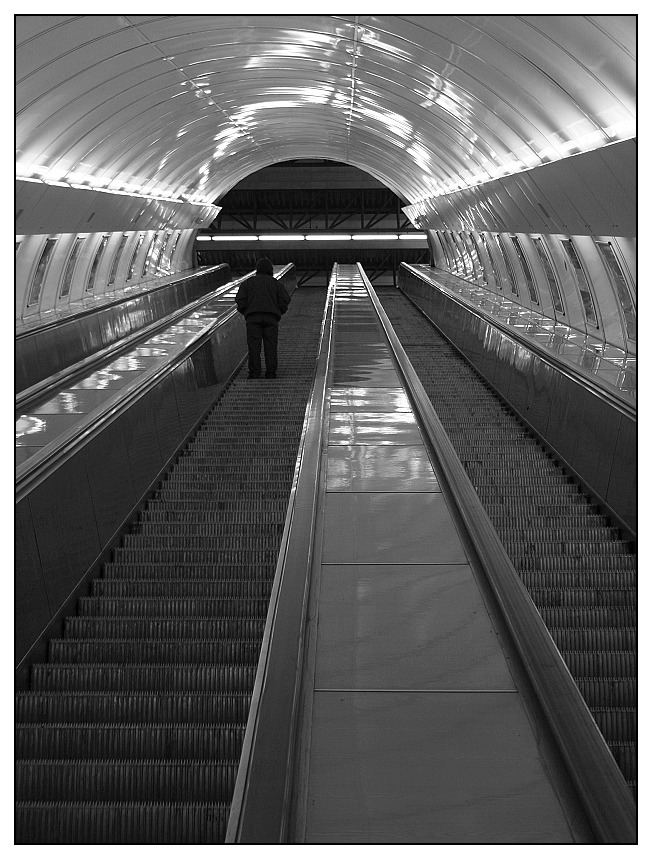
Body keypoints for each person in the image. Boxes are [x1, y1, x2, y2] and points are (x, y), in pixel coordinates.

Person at [235, 257, 291, 378]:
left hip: (253, 318)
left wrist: (246, 312)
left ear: (257, 269)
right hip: (271, 318)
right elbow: (285, 299)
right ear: (270, 269)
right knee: (271, 345)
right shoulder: (276, 284)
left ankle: (254, 372)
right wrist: (279, 311)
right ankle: (271, 372)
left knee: (254, 345)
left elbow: (240, 301)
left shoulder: (248, 283)